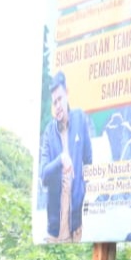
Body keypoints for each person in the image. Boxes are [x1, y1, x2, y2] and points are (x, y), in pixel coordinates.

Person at [39, 72, 91, 242]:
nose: (57, 106)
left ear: (67, 94)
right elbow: (44, 176)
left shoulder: (80, 118)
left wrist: (82, 193)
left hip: (76, 227)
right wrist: (61, 160)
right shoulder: (49, 132)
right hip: (54, 232)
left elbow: (88, 160)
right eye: (54, 102)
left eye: (60, 99)